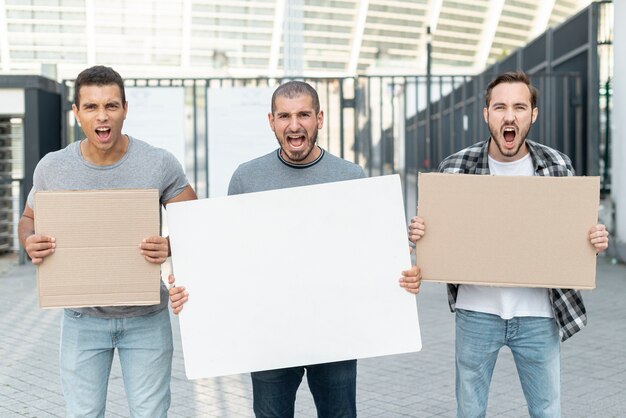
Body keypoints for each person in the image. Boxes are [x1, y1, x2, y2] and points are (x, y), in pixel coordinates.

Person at [168, 80, 422, 418]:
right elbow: (230, 257)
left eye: (303, 114)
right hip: (270, 334)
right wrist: (190, 291)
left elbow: (366, 256)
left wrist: (402, 277)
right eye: (284, 116)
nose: (294, 124)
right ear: (271, 121)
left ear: (319, 118)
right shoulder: (246, 178)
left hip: (335, 332)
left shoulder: (350, 176)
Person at [408, 71, 609, 418]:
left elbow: (576, 233)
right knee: (469, 411)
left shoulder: (558, 166)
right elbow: (435, 237)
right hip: (477, 312)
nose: (509, 115)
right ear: (487, 114)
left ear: (534, 114)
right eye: (500, 107)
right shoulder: (455, 168)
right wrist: (419, 235)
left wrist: (594, 238)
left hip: (538, 314)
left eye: (519, 106)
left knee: (546, 411)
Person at [18, 65, 197, 418]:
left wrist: (171, 244)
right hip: (82, 318)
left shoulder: (157, 163)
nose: (103, 116)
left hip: (147, 318)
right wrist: (29, 241)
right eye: (92, 107)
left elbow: (197, 222)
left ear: (125, 109)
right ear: (76, 113)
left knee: (150, 414)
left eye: (111, 106)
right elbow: (28, 220)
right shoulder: (53, 168)